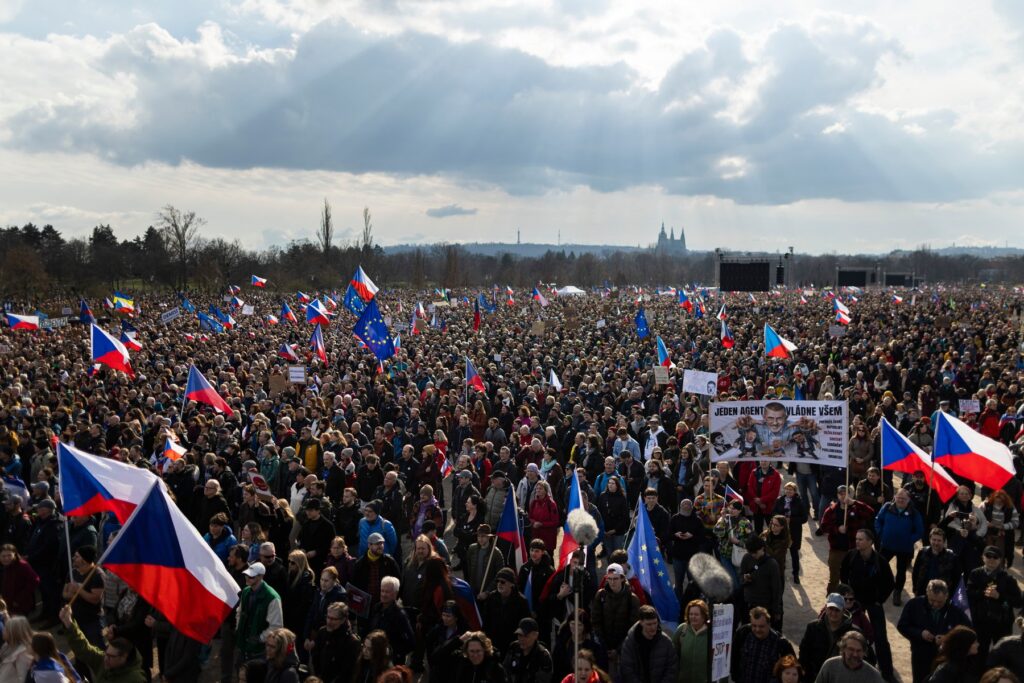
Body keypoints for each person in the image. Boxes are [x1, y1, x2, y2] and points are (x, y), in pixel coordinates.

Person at [840, 529, 895, 681]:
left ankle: (887, 673)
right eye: (856, 539)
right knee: (852, 634)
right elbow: (843, 576)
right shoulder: (851, 556)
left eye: (861, 539)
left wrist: (880, 599)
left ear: (871, 542)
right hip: (855, 604)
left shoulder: (880, 561)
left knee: (880, 638)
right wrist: (848, 596)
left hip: (873, 603)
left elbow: (890, 583)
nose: (857, 542)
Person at [896, 579, 971, 683]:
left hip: (944, 658)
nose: (935, 604)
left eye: (939, 602)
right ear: (927, 593)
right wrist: (920, 633)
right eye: (931, 600)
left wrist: (947, 638)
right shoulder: (914, 605)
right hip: (920, 656)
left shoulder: (956, 612)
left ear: (946, 596)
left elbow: (968, 633)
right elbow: (902, 626)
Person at [57, 604, 145, 683]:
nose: (106, 659)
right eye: (106, 654)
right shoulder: (103, 660)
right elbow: (84, 649)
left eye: (111, 656)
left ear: (124, 657)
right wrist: (68, 623)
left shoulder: (136, 679)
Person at [965, 546, 1023, 662]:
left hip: (1001, 624)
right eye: (988, 556)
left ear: (1000, 560)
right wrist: (982, 593)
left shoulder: (1008, 579)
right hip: (980, 622)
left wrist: (999, 597)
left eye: (995, 557)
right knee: (978, 655)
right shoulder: (975, 574)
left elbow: (1018, 602)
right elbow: (968, 594)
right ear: (983, 557)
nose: (991, 559)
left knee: (1002, 656)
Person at [820, 486, 874, 594]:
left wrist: (854, 502)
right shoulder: (831, 510)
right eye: (841, 493)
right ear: (837, 495)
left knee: (851, 576)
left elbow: (870, 512)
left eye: (846, 493)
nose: (843, 496)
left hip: (853, 549)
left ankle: (849, 599)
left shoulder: (856, 508)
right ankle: (831, 599)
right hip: (836, 549)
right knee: (834, 577)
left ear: (851, 495)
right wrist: (837, 529)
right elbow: (823, 527)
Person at [798, 593, 865, 682]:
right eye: (831, 609)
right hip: (815, 677)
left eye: (837, 610)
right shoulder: (813, 627)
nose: (833, 613)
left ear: (843, 611)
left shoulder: (854, 632)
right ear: (826, 608)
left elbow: (863, 657)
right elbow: (804, 652)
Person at [874, 488, 924, 606]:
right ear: (894, 497)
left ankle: (897, 592)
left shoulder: (914, 513)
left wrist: (909, 540)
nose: (900, 500)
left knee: (901, 571)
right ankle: (878, 589)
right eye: (898, 497)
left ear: (908, 500)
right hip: (887, 545)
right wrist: (881, 533)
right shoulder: (887, 507)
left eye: (904, 498)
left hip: (904, 548)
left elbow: (920, 530)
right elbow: (878, 521)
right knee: (879, 567)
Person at [590, 563, 640, 672]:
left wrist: (617, 650)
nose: (612, 582)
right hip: (603, 648)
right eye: (610, 579)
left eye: (616, 579)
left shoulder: (632, 599)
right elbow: (595, 622)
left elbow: (633, 628)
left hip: (624, 649)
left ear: (622, 578)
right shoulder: (601, 595)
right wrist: (604, 647)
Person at [235, 561, 284, 663]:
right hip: (243, 646)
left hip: (260, 651)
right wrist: (238, 628)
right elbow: (239, 612)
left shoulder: (272, 598)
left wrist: (260, 638)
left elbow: (276, 626)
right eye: (246, 575)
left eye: (251, 576)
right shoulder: (246, 591)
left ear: (260, 577)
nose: (247, 578)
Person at [479, 567, 530, 659]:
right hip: (494, 643)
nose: (499, 584)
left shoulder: (521, 601)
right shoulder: (491, 598)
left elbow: (524, 626)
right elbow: (486, 621)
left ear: (511, 584)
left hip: (512, 645)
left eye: (503, 582)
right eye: (497, 581)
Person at [619, 605, 677, 683]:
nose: (653, 627)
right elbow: (627, 669)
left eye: (655, 623)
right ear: (641, 622)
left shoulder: (666, 642)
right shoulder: (630, 642)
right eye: (649, 624)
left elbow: (672, 668)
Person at [306, 601, 360, 682]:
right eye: (328, 617)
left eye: (333, 619)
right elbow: (315, 657)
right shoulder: (322, 632)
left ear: (342, 620)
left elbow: (347, 672)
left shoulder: (351, 642)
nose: (329, 621)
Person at [367, 576, 415, 663]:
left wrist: (393, 653)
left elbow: (410, 643)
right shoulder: (376, 608)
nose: (384, 594)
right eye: (382, 591)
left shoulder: (400, 615)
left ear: (395, 594)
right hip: (375, 659)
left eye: (387, 592)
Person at [814, 631, 884, 683]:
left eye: (859, 651)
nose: (855, 654)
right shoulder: (829, 666)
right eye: (851, 649)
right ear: (843, 648)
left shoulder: (874, 676)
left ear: (864, 652)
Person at [773, 482, 808, 584]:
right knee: (780, 553)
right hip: (781, 531)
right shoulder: (779, 500)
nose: (788, 491)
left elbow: (804, 518)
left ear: (794, 491)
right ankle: (780, 573)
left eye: (791, 489)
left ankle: (796, 574)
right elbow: (774, 512)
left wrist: (791, 520)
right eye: (787, 489)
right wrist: (782, 519)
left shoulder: (799, 502)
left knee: (794, 553)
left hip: (794, 531)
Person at [501, 617, 553, 683]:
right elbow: (505, 671)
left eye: (526, 636)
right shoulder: (514, 647)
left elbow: (543, 680)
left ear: (535, 635)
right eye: (520, 635)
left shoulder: (543, 656)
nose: (522, 639)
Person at [911, 528, 960, 597]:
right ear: (930, 540)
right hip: (922, 591)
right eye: (934, 540)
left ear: (944, 541)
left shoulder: (952, 557)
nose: (936, 543)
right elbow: (916, 571)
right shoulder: (923, 552)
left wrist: (951, 595)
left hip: (941, 595)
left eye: (939, 540)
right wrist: (915, 588)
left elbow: (956, 578)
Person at [671, 599, 709, 683]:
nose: (693, 617)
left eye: (696, 614)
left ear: (704, 616)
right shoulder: (682, 630)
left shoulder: (711, 633)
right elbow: (672, 654)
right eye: (691, 614)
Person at [0, 544, 39, 616]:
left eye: (9, 555)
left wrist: (19, 599)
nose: (6, 558)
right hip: (8, 605)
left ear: (14, 554)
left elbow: (35, 580)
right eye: (3, 556)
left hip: (19, 605)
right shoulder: (5, 566)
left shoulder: (22, 565)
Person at [0, 615, 33, 683]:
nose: (2, 630)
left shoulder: (23, 654)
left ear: (14, 633)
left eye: (6, 629)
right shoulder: (7, 645)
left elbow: (22, 679)